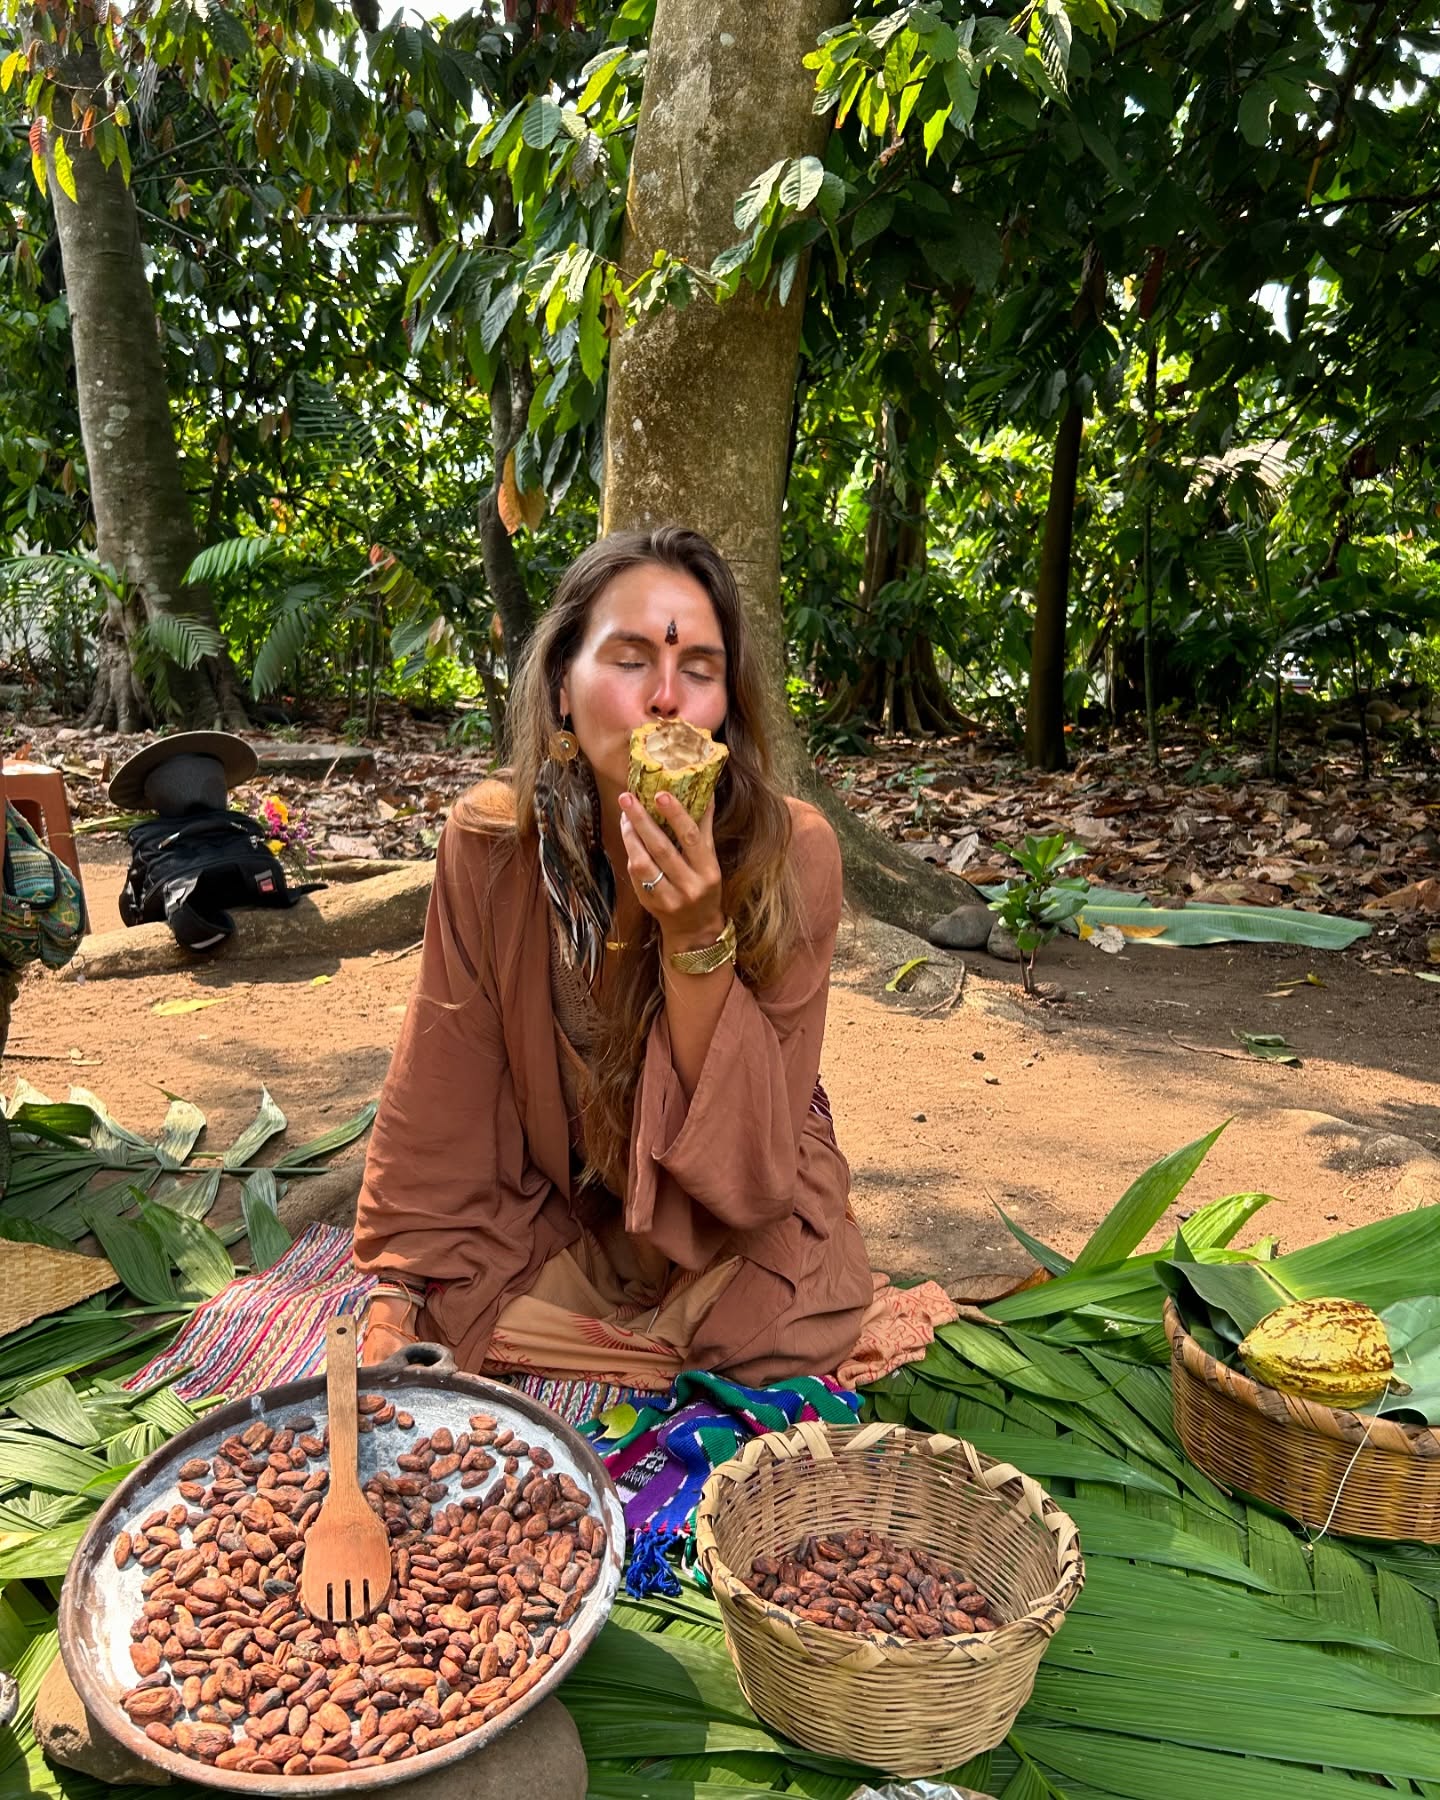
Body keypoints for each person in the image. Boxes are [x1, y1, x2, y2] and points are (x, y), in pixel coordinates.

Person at [352, 526, 890, 1387]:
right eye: (631, 660)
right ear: (562, 689)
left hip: (726, 1199)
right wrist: (397, 1290)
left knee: (772, 1327)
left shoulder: (791, 856)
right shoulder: (491, 845)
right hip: (566, 1193)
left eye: (700, 671)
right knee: (458, 1302)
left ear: (727, 712)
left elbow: (756, 1161)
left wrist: (695, 935)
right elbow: (442, 1082)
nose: (667, 699)